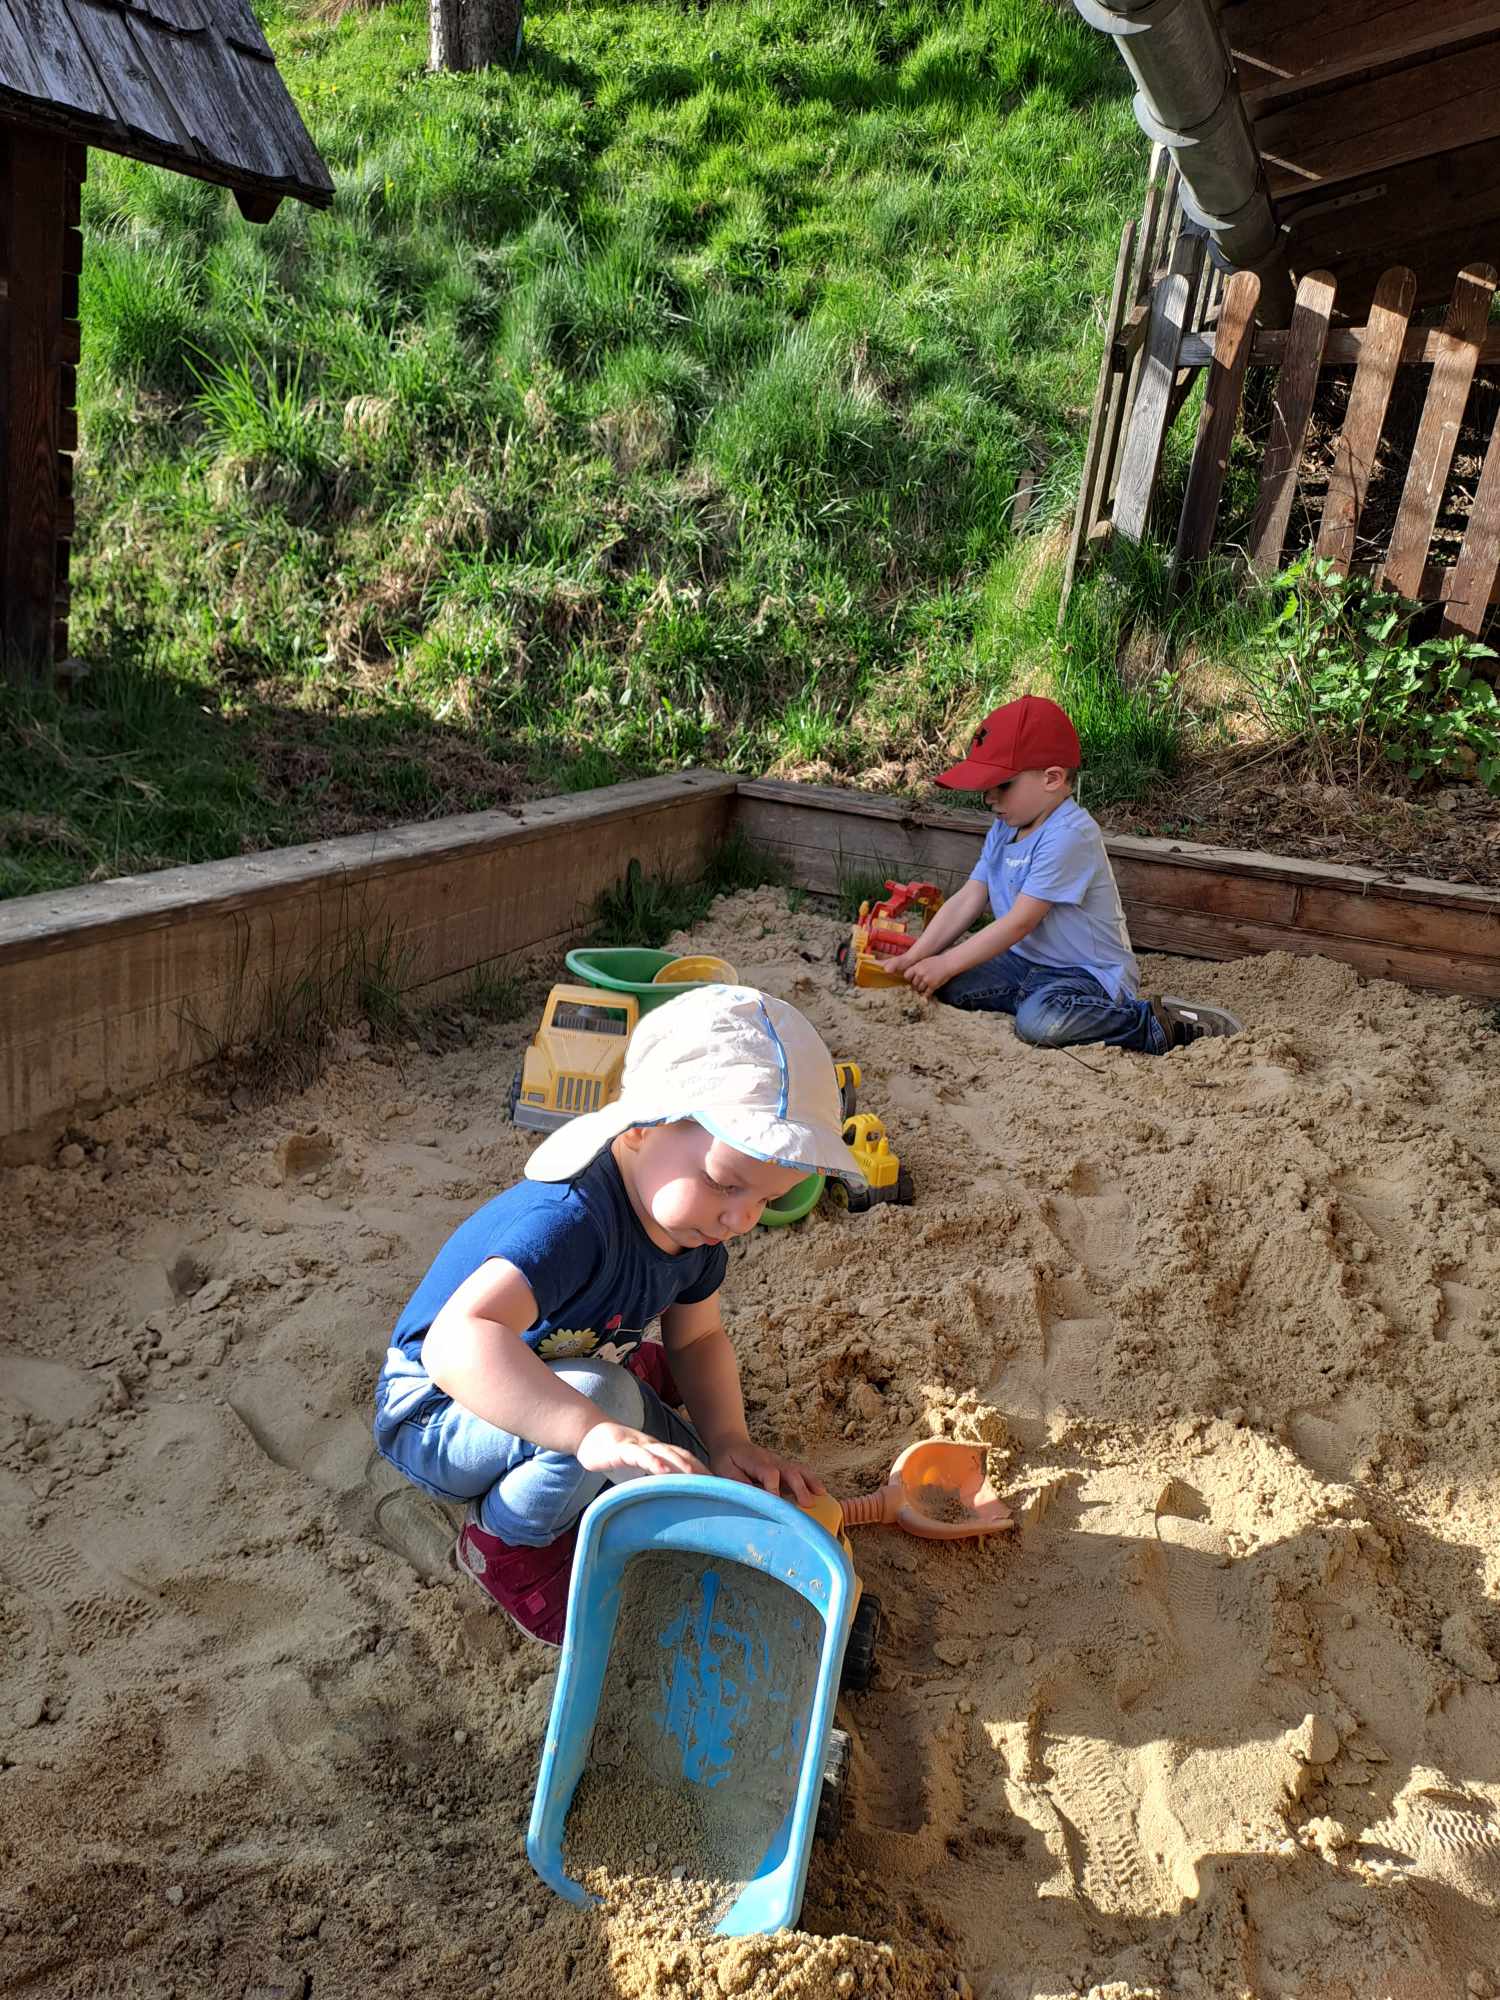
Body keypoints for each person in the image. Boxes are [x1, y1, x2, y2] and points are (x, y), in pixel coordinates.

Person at [371, 984, 861, 1645]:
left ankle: (604, 1414)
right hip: (437, 1409)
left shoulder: (694, 1231)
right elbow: (456, 1344)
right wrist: (590, 1433)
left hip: (558, 1359)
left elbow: (700, 1338)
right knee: (607, 1400)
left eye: (768, 1199)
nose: (741, 1218)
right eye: (726, 1183)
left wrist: (729, 1440)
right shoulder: (569, 1223)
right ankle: (505, 1544)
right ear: (640, 1127)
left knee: (686, 1444)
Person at [890, 694, 1240, 1054]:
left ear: (1052, 778)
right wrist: (917, 956)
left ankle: (1155, 1024)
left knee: (1039, 1022)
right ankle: (1037, 1003)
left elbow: (1020, 922)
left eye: (1002, 785)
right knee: (949, 984)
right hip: (1023, 963)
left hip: (1086, 973)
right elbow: (970, 897)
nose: (988, 798)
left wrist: (946, 962)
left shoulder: (1069, 834)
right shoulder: (1006, 826)